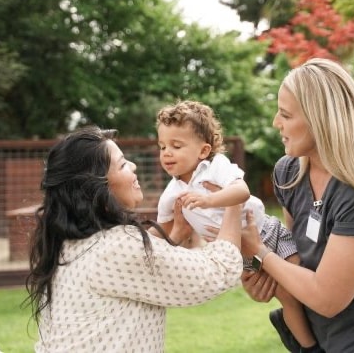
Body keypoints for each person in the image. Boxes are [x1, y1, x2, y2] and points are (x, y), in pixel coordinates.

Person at [240, 57, 354, 352]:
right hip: (323, 339)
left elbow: (328, 298)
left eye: (286, 115)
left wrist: (260, 253)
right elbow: (296, 258)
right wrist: (267, 279)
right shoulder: (288, 173)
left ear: (320, 120)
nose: (276, 123)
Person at [25, 126, 244, 353]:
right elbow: (217, 271)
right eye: (122, 165)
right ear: (96, 189)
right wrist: (232, 199)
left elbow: (132, 267)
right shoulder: (117, 247)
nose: (133, 166)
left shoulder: (66, 243)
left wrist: (175, 235)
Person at [155, 100, 318, 350]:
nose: (166, 153)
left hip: (266, 232)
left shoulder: (215, 166)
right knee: (286, 296)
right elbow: (161, 235)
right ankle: (310, 348)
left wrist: (210, 200)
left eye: (176, 146)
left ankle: (323, 336)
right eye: (162, 146)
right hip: (242, 255)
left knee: (302, 281)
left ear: (203, 150)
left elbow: (241, 191)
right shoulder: (172, 194)